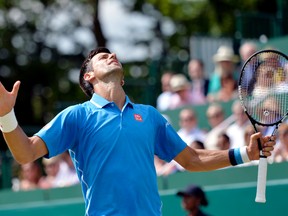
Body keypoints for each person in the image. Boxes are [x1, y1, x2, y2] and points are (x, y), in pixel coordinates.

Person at [0, 47, 275, 216]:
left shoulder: (151, 116)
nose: (112, 55)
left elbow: (191, 160)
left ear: (123, 77)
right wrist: (6, 115)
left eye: (113, 54)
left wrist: (245, 153)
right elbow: (25, 153)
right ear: (88, 76)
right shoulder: (77, 116)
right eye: (101, 57)